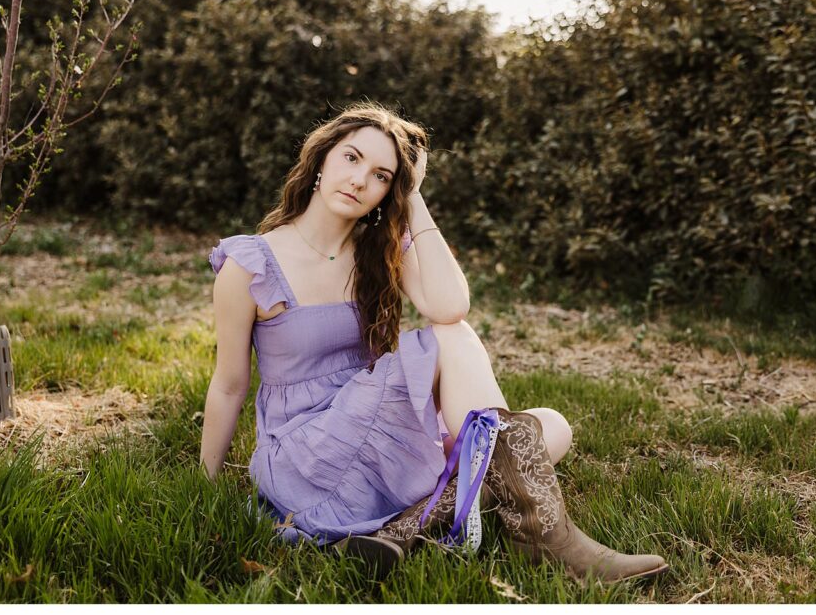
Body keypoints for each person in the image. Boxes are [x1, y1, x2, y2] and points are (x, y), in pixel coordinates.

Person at [199, 102, 668, 585]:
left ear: (388, 191)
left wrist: (415, 198)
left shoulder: (376, 249)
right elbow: (230, 385)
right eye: (351, 158)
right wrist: (205, 485)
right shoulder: (251, 264)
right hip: (307, 459)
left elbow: (450, 305)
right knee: (455, 348)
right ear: (321, 160)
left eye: (382, 175)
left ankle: (404, 529)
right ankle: (550, 540)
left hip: (376, 434)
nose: (360, 180)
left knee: (552, 427)